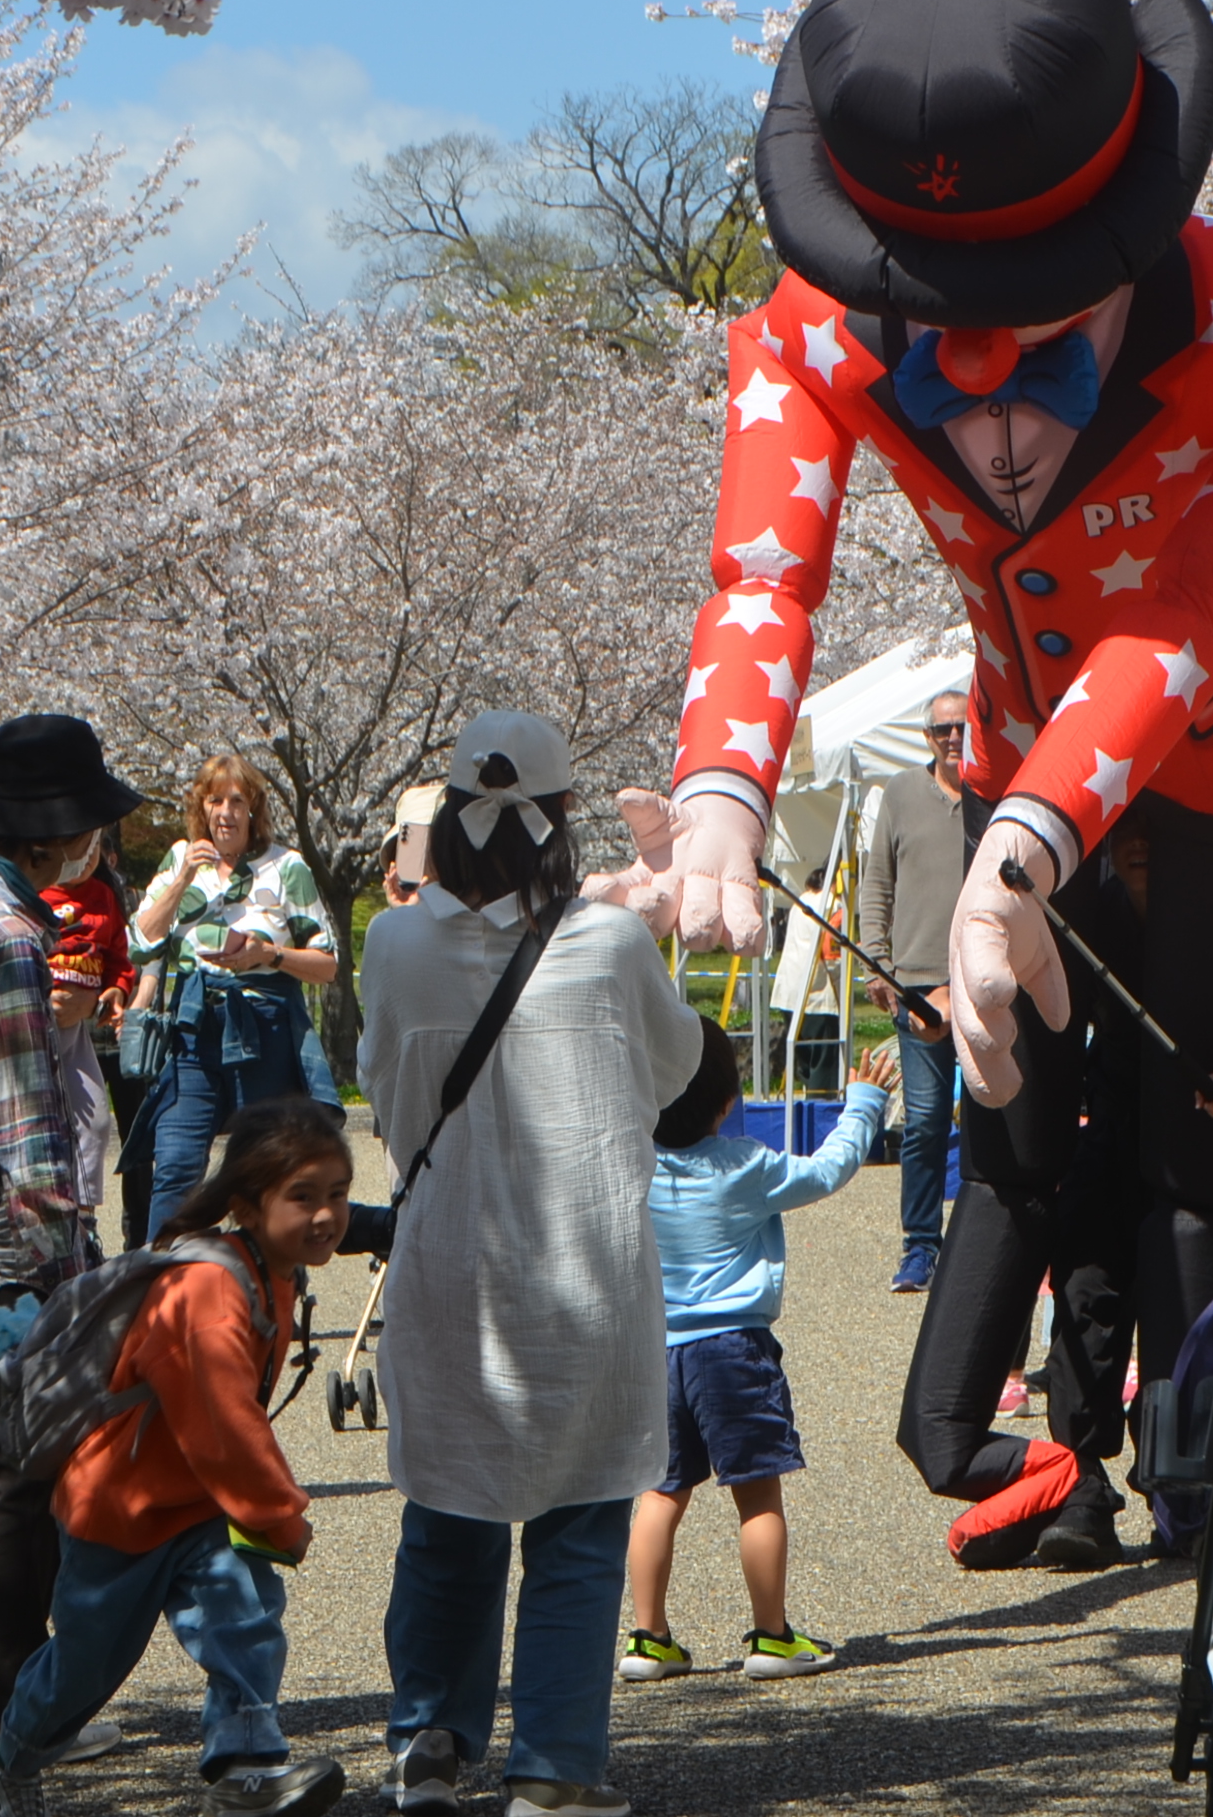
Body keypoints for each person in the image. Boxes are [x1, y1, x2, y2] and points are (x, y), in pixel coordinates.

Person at [637, 0, 1213, 1570]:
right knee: (1013, 1132)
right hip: (990, 754)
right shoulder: (811, 328)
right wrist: (724, 787)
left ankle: (1201, 1465)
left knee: (1199, 1129)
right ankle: (1001, 1445)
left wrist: (1026, 850)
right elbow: (760, 577)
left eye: (1031, 292)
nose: (973, 342)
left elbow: (1184, 620)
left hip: (1204, 782)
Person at [367, 710, 707, 1817]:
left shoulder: (395, 943)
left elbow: (383, 1095)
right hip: (585, 1276)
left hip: (450, 1268)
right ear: (562, 818)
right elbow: (676, 1072)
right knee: (578, 1523)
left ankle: (429, 1735)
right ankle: (555, 1768)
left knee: (449, 1516)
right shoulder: (609, 944)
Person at [0, 1097, 355, 1817]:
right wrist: (280, 1514)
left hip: (201, 1504)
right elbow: (220, 1424)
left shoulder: (272, 1267)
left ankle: (248, 1767)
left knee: (243, 1616)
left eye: (337, 1194)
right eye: (301, 1197)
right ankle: (6, 1759)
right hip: (121, 1509)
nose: (327, 1215)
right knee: (84, 1668)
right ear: (246, 1204)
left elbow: (219, 1437)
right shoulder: (208, 1288)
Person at [0, 713, 139, 1756]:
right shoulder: (9, 937)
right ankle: (4, 1699)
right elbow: (22, 1119)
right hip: (9, 1244)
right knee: (31, 1474)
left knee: (15, 1467)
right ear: (55, 837)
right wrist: (68, 1263)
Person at [621, 1030, 897, 1687]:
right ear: (727, 1102)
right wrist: (862, 1104)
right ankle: (772, 1636)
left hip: (658, 1353)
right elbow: (827, 1170)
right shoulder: (743, 1165)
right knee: (758, 1498)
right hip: (734, 1352)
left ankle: (649, 1638)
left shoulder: (634, 1168)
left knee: (659, 1494)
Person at [130, 756, 342, 1245]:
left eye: (237, 801)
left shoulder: (286, 866)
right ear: (201, 807)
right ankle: (161, 1281)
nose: (225, 812)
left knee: (265, 1171)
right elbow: (140, 942)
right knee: (177, 1162)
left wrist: (269, 954)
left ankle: (271, 1285)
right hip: (194, 1029)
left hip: (262, 1030)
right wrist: (182, 878)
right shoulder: (180, 858)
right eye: (215, 800)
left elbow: (327, 965)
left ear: (254, 810)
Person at [859, 691, 970, 1294]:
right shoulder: (901, 795)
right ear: (927, 737)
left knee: (986, 1119)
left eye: (962, 726)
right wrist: (878, 962)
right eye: (942, 729)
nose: (953, 737)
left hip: (982, 982)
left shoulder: (994, 793)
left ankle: (979, 1242)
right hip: (918, 983)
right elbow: (879, 881)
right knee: (925, 1119)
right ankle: (920, 1245)